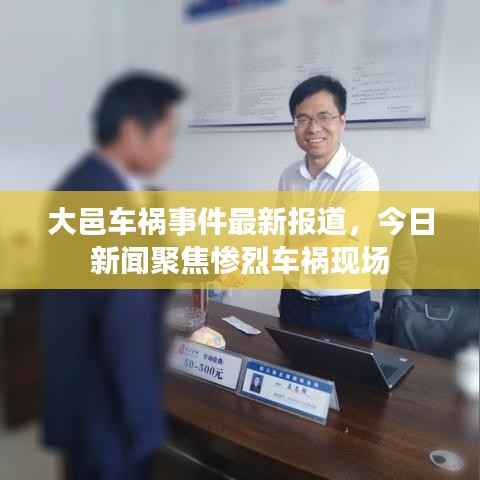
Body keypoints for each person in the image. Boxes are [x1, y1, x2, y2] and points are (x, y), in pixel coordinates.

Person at [41, 72, 184, 480]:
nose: (170, 149)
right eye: (166, 135)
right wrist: (145, 427)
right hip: (107, 415)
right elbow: (124, 327)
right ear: (132, 131)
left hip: (88, 403)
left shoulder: (88, 186)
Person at [278, 75, 379, 341]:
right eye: (303, 119)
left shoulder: (361, 176)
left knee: (349, 371)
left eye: (324, 117)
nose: (313, 128)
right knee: (288, 366)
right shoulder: (289, 176)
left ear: (342, 121)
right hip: (293, 300)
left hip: (344, 307)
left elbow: (331, 243)